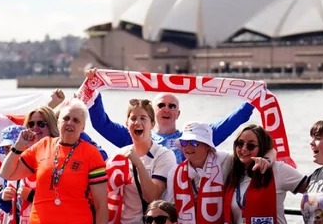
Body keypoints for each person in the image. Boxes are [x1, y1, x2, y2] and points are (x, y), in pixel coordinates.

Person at [1, 100, 108, 224]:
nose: (70, 123)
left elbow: (101, 206)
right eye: (66, 118)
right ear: (58, 122)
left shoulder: (92, 154)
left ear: (83, 127)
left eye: (76, 120)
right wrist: (19, 146)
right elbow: (6, 173)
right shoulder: (43, 146)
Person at [84, 70, 254, 163]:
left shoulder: (192, 138)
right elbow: (101, 124)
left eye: (172, 106)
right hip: (147, 207)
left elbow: (228, 125)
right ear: (152, 112)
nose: (166, 109)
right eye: (161, 105)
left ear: (178, 113)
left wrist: (252, 100)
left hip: (180, 205)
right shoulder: (137, 134)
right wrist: (94, 89)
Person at [223, 124, 303, 224]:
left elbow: (312, 188)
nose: (243, 149)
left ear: (262, 147)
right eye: (240, 144)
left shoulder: (278, 170)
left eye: (251, 146)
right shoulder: (231, 170)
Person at [166, 122, 235, 224]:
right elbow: (172, 209)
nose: (188, 147)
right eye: (184, 142)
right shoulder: (175, 173)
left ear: (207, 146)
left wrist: (267, 158)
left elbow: (256, 153)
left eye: (194, 142)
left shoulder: (226, 162)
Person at [116, 99, 176, 224]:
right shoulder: (119, 155)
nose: (137, 123)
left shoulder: (164, 155)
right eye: (133, 118)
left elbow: (152, 196)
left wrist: (138, 164)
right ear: (127, 124)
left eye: (143, 118)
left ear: (152, 124)